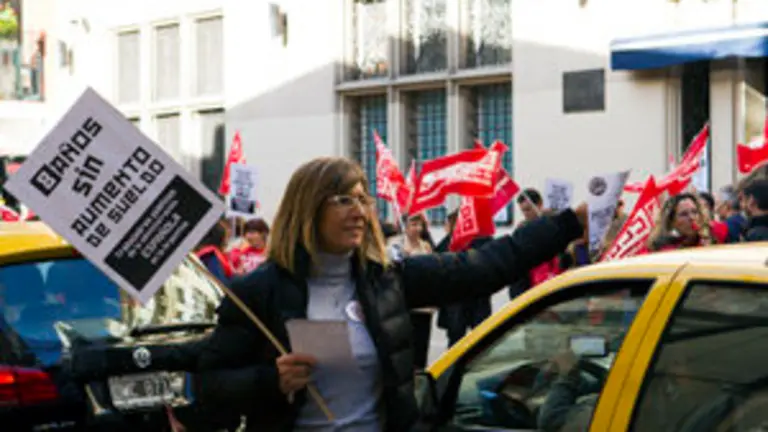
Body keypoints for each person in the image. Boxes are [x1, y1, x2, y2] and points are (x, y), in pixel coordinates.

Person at [196, 156, 586, 432]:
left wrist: (567, 224)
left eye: (364, 199)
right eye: (344, 200)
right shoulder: (257, 293)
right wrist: (270, 381)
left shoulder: (388, 280)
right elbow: (209, 390)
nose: (360, 212)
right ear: (307, 209)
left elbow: (484, 267)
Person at [435, 210, 493, 348]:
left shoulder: (483, 240)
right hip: (456, 300)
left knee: (479, 340)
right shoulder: (448, 243)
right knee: (456, 341)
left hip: (476, 298)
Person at [387, 213, 434, 370]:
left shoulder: (425, 246)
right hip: (404, 303)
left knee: (421, 346)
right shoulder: (395, 244)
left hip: (423, 305)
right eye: (413, 225)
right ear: (405, 226)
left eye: (419, 225)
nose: (417, 228)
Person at [645, 193, 713, 252]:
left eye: (695, 212)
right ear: (672, 222)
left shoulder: (712, 235)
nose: (692, 218)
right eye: (684, 214)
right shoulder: (665, 251)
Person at [195, 220, 234, 285]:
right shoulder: (211, 256)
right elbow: (220, 284)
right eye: (227, 237)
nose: (227, 242)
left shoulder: (202, 253)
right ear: (219, 239)